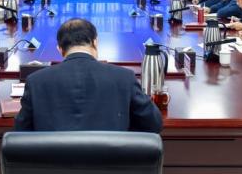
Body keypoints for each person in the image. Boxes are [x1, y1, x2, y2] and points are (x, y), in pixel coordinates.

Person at [15, 18, 162, 132]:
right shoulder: (124, 77)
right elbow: (154, 124)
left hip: (53, 162)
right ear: (95, 42)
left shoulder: (36, 81)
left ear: (59, 49)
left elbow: (21, 131)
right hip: (110, 161)